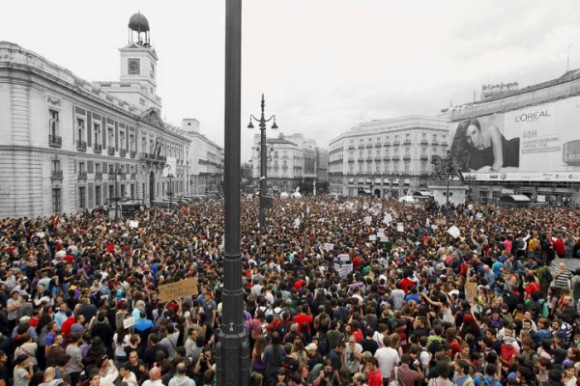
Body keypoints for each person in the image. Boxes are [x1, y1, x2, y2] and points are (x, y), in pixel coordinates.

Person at [450, 118, 519, 172]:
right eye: (468, 137)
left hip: (518, 149)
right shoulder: (472, 157)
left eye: (474, 133)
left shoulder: (492, 130)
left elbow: (499, 163)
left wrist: (486, 171)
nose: (472, 139)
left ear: (479, 130)